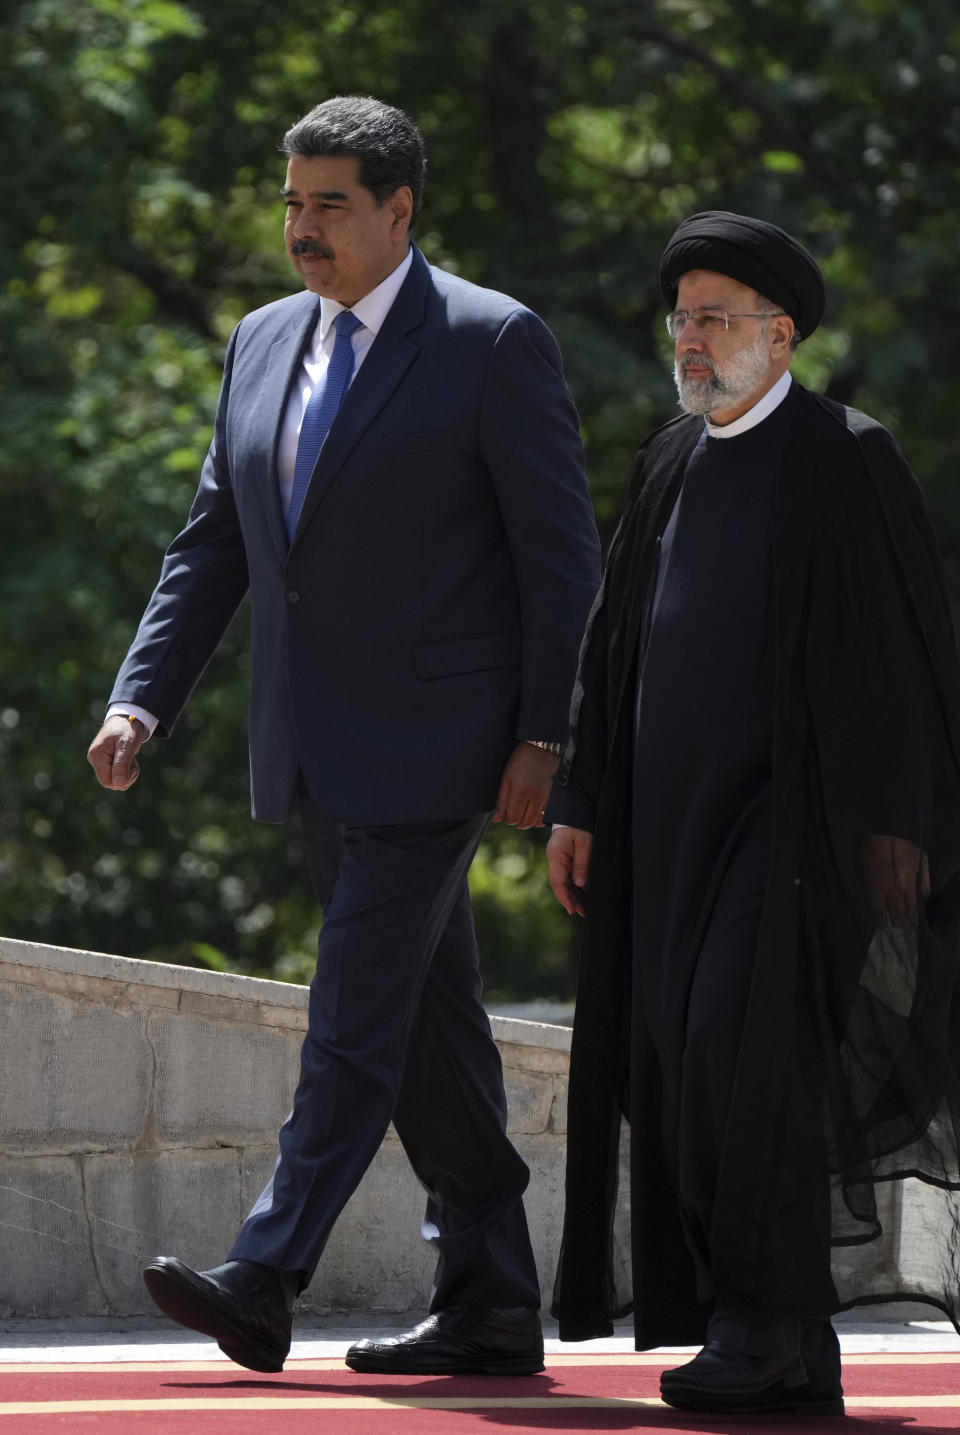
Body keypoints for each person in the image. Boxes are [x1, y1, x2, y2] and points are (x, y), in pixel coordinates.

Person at [87, 95, 601, 1377]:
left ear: (398, 210)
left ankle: (266, 1270)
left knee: (354, 1010)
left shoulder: (492, 341)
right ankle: (488, 1299)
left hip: (443, 742)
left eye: (329, 205)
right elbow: (214, 542)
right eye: (292, 202)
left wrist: (553, 734)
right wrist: (140, 695)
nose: (301, 229)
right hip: (312, 741)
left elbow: (561, 563)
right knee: (429, 1026)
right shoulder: (262, 340)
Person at [545, 210, 960, 1416]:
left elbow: (899, 663)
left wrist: (900, 834)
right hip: (662, 833)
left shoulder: (847, 456)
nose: (692, 339)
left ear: (781, 336)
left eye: (716, 319)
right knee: (679, 1070)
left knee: (747, 1060)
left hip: (788, 834)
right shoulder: (669, 456)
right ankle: (776, 1340)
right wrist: (578, 797)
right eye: (682, 318)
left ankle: (762, 1325)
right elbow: (610, 643)